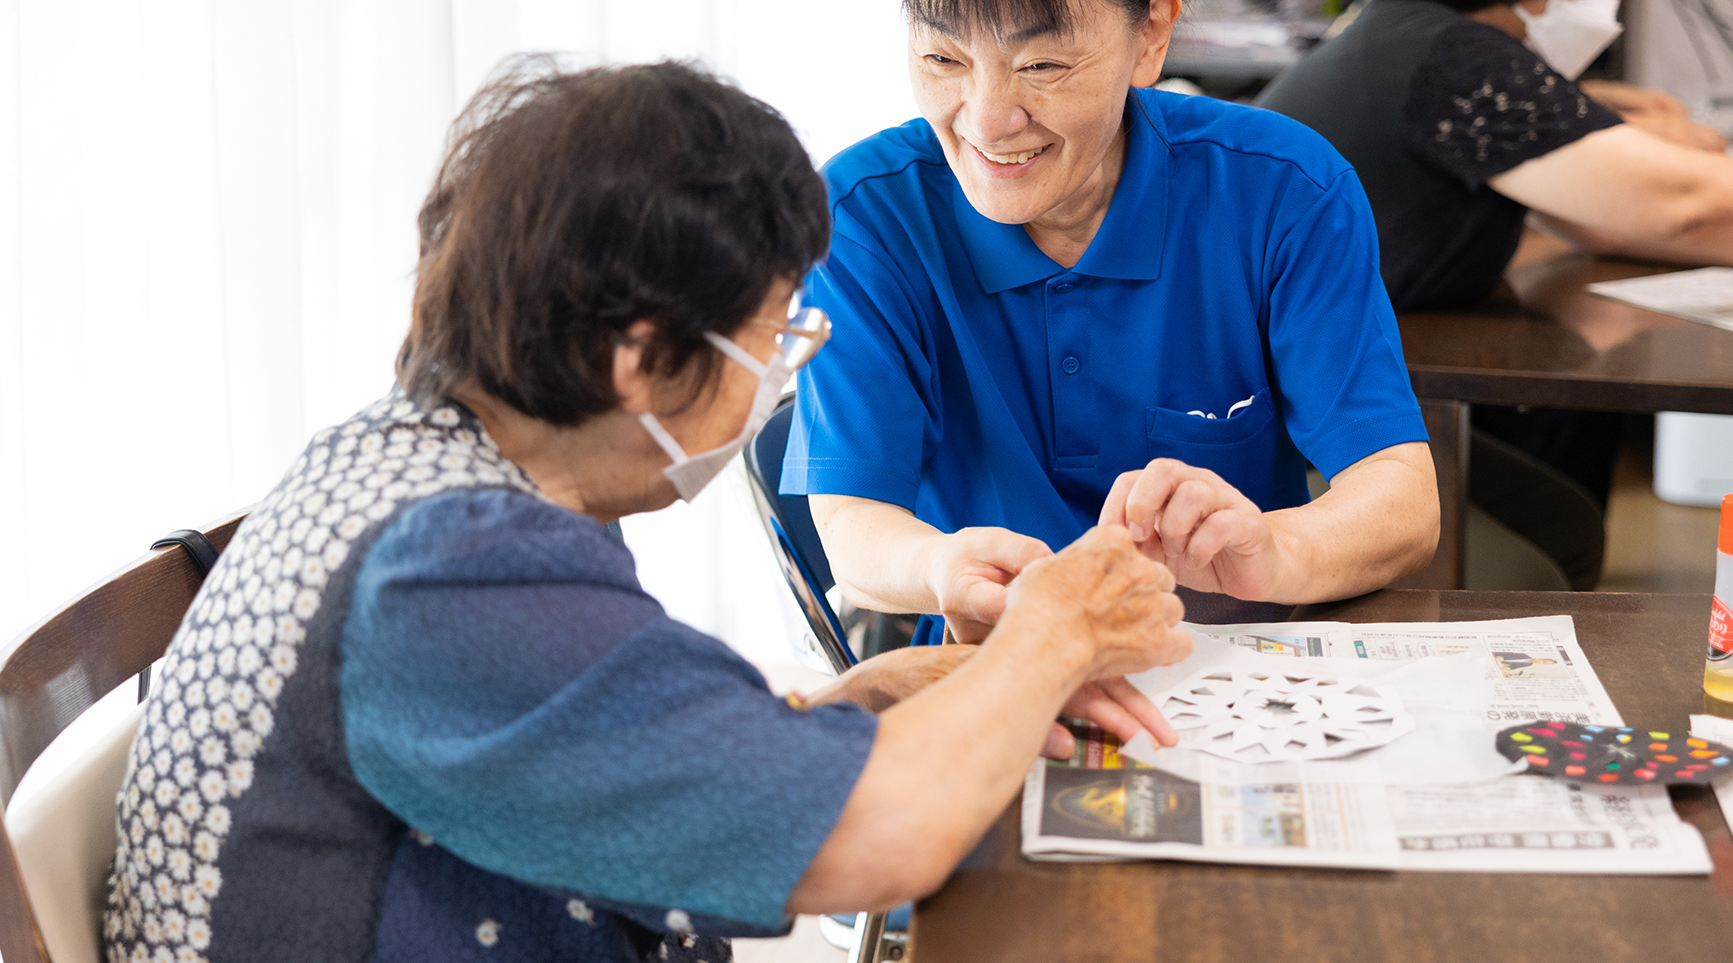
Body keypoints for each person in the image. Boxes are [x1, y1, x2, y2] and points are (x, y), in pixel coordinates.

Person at [102, 60, 1191, 963]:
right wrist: (1057, 631)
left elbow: (583, 743)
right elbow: (872, 845)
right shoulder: (451, 570)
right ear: (639, 360)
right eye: (771, 337)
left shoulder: (430, 468)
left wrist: (861, 699)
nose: (782, 372)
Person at [780, 0, 1440, 650]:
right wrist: (943, 568)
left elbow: (1401, 498)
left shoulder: (1283, 191)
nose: (986, 121)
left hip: (1242, 670)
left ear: (1152, 33)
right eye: (943, 60)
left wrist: (1273, 548)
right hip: (997, 669)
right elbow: (853, 517)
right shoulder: (864, 216)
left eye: (1042, 65)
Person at [1258, 0, 1733, 590]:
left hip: (1342, 388)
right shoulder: (1453, 58)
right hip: (1299, 421)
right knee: (1542, 559)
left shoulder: (1410, 34)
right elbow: (1681, 205)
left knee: (1564, 525)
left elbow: (1607, 209)